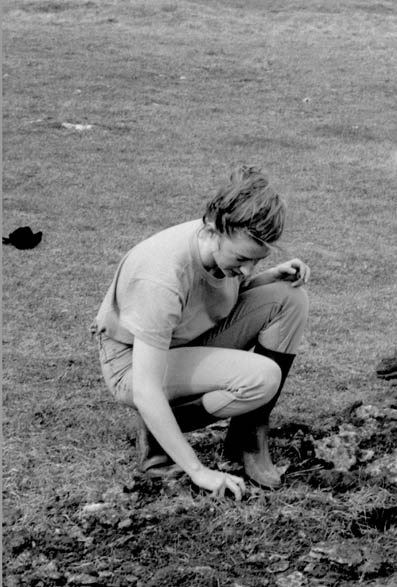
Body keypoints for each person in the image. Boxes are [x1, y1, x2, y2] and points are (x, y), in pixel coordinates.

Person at [91, 166, 310, 498]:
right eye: (242, 258)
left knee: (290, 297)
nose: (248, 268)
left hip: (185, 339)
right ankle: (159, 429)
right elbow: (147, 388)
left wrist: (269, 277)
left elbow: (214, 292)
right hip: (132, 365)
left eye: (257, 260)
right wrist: (199, 471)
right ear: (211, 230)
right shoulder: (161, 277)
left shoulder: (220, 245)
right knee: (262, 377)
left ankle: (247, 436)